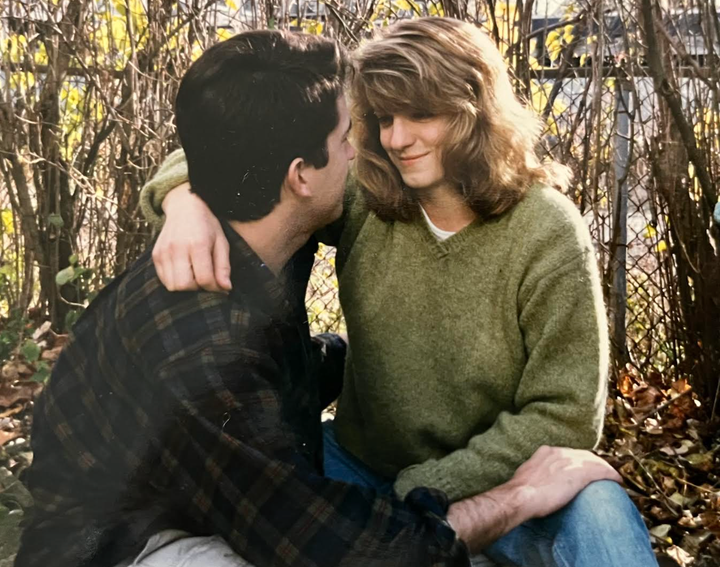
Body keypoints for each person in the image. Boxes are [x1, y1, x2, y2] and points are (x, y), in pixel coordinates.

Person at [14, 28, 621, 567]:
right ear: (302, 174)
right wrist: (183, 198)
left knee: (600, 513)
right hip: (141, 541)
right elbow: (340, 548)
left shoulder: (540, 230)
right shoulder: (366, 197)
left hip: (423, 474)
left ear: (475, 112)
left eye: (420, 115)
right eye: (372, 121)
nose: (385, 140)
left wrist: (189, 198)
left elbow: (566, 413)